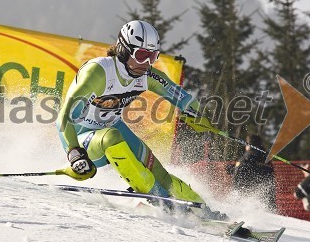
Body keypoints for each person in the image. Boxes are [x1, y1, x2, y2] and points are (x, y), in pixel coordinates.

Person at [56, 20, 221, 219]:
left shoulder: (145, 75)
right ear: (124, 51)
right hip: (83, 138)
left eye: (153, 56)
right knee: (112, 136)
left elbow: (182, 98)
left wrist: (196, 115)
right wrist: (75, 154)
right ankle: (160, 200)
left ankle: (208, 214)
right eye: (142, 55)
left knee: (159, 173)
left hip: (112, 127)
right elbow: (64, 118)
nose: (147, 63)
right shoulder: (99, 73)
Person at [229, 134, 277, 211]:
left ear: (248, 144)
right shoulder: (266, 158)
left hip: (247, 201)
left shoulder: (246, 157)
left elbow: (237, 179)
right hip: (268, 201)